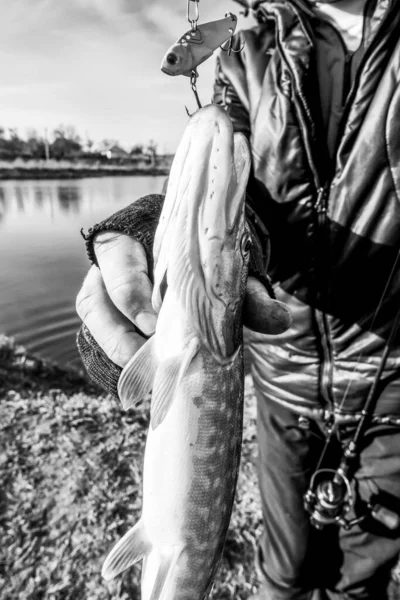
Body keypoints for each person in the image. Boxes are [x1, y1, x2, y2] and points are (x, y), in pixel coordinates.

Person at [76, 0, 400, 597]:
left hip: (394, 391)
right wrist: (150, 238)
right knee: (282, 573)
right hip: (283, 387)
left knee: (362, 581)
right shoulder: (249, 44)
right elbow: (241, 194)